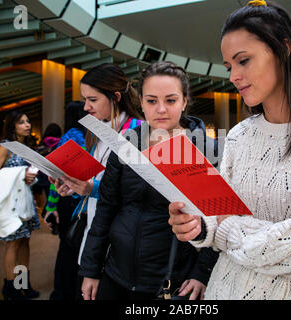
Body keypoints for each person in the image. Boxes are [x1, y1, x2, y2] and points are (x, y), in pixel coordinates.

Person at [168, 0, 291, 300]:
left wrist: (227, 228)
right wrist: (198, 226)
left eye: (243, 60)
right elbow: (217, 216)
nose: (233, 75)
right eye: (229, 66)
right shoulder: (239, 135)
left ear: (283, 50)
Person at [78, 61, 220, 300]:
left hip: (172, 280)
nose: (161, 109)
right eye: (152, 100)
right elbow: (106, 209)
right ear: (141, 102)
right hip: (117, 273)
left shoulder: (205, 150)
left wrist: (202, 273)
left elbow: (219, 217)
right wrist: (91, 269)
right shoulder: (126, 145)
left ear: (185, 101)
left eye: (171, 100)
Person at [49, 63, 144, 300]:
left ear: (116, 97)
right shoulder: (96, 130)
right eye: (84, 99)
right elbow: (91, 179)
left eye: (92, 99)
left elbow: (140, 192)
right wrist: (71, 187)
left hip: (121, 238)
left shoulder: (139, 132)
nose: (85, 106)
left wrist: (93, 189)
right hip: (94, 230)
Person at [0, 110, 41, 300]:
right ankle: (11, 287)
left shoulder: (25, 147)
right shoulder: (6, 147)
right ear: (12, 126)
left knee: (24, 242)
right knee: (13, 245)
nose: (27, 125)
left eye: (27, 121)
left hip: (25, 202)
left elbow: (27, 177)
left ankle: (23, 284)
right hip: (10, 205)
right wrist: (21, 175)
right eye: (21, 122)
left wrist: (30, 177)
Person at [44, 101, 88, 300]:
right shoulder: (84, 139)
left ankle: (60, 291)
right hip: (76, 199)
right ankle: (70, 292)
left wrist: (51, 206)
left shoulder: (65, 138)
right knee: (75, 246)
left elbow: (55, 179)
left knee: (66, 245)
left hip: (63, 198)